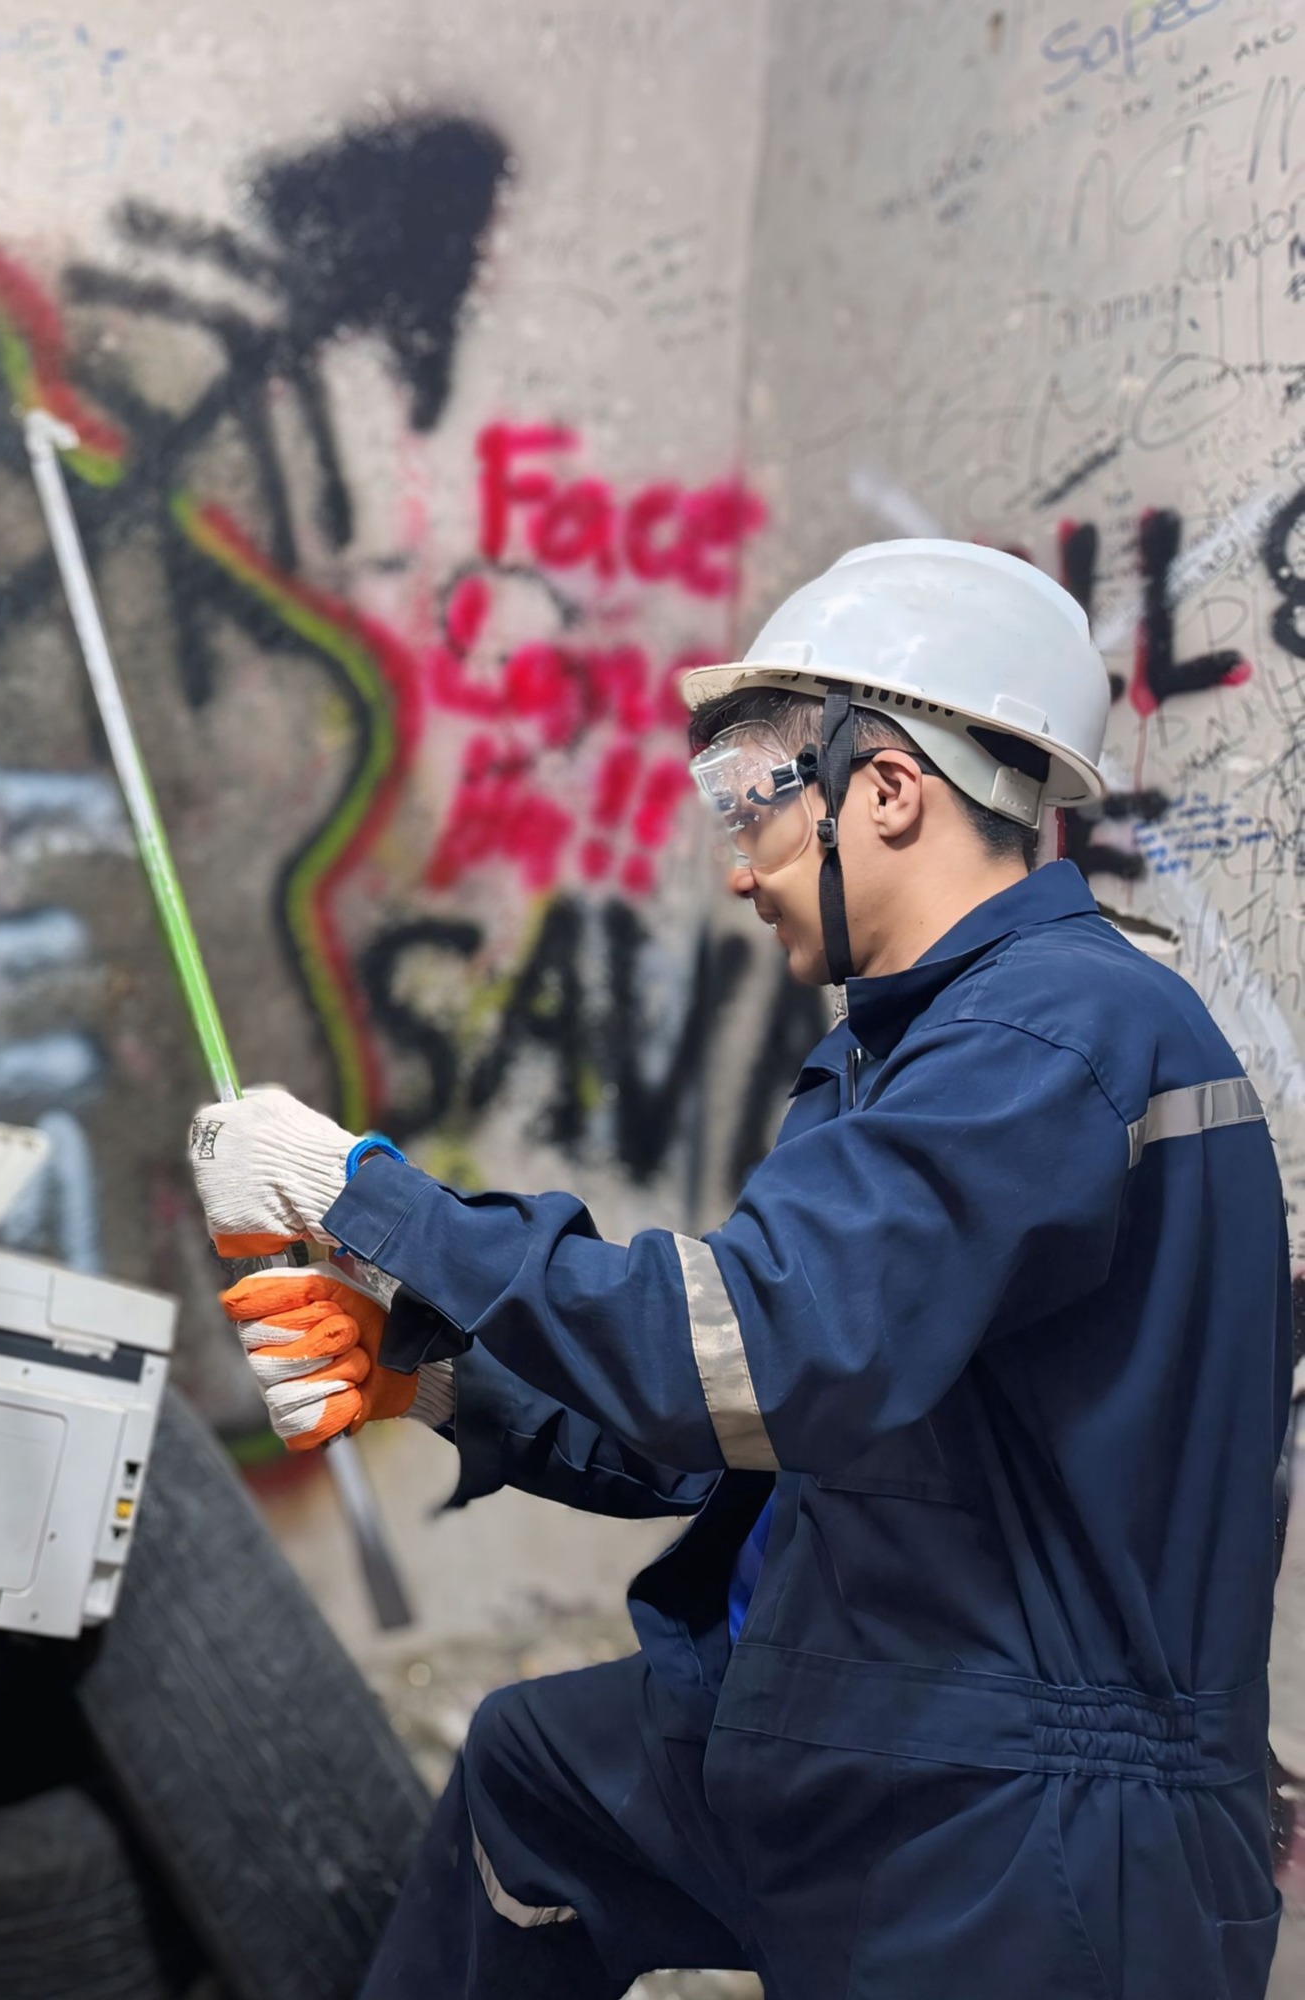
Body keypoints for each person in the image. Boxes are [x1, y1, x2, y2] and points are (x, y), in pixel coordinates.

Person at [185, 539, 1288, 1996]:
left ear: (888, 792)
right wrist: (431, 1382)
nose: (733, 861)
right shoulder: (914, 1049)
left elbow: (762, 1354)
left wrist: (364, 1195)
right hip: (870, 1711)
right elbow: (757, 1430)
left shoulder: (1042, 1042)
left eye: (750, 797)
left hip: (1023, 1816)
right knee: (535, 1782)